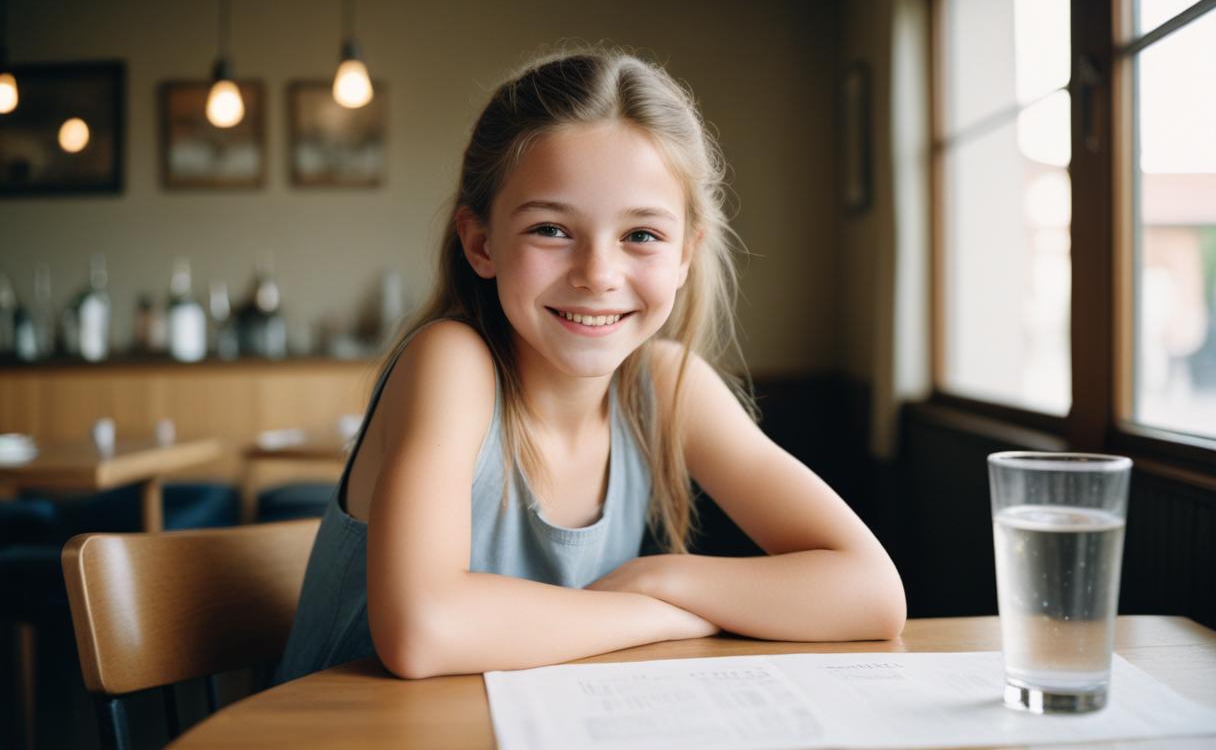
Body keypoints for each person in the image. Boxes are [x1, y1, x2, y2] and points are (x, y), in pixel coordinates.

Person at [275, 47, 906, 684]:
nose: (598, 275)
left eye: (642, 235)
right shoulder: (451, 363)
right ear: (480, 243)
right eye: (551, 229)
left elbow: (873, 593)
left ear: (685, 255)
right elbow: (423, 631)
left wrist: (667, 577)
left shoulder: (664, 384)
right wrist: (659, 614)